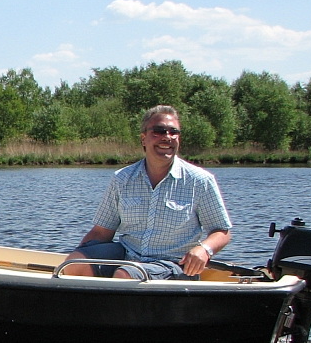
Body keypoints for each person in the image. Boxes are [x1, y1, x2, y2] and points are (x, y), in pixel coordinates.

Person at [62, 105, 232, 280]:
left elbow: (222, 231)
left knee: (125, 274)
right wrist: (76, 256)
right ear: (143, 139)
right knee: (74, 264)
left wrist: (204, 249)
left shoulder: (200, 180)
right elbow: (101, 232)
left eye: (174, 132)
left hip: (174, 264)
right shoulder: (122, 178)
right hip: (127, 254)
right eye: (159, 131)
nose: (167, 137)